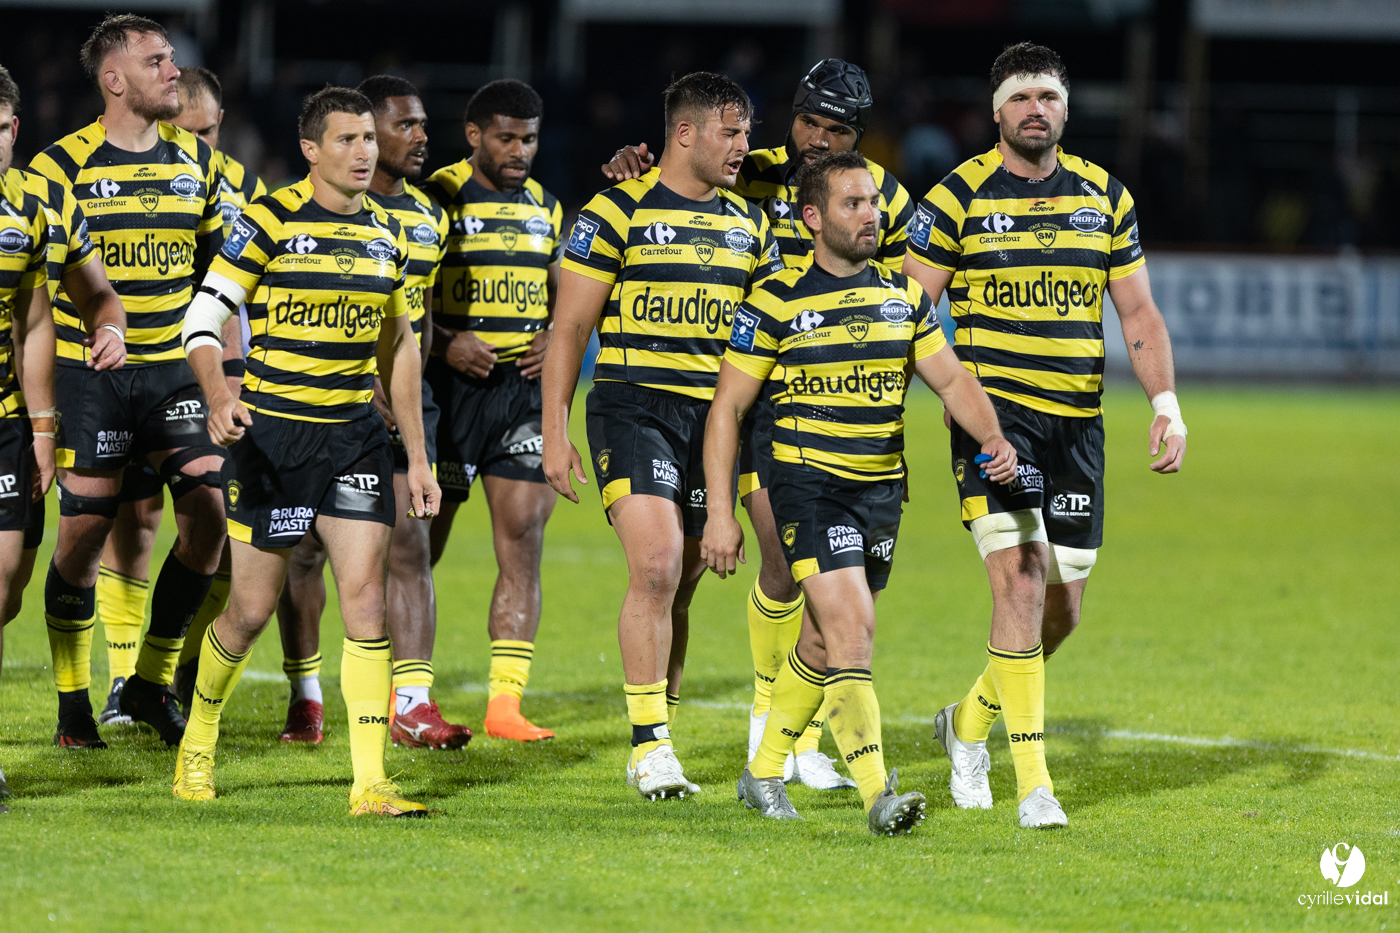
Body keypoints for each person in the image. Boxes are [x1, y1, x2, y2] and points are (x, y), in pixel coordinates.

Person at [600, 59, 915, 790]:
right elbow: (673, 184)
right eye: (810, 122)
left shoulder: (881, 198)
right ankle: (705, 737)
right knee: (713, 567)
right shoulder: (748, 170)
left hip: (809, 403)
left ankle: (779, 735)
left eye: (838, 130)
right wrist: (629, 167)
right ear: (792, 116)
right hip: (730, 390)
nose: (819, 140)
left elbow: (892, 309)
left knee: (793, 567)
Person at [901, 42, 1187, 829]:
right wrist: (935, 399)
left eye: (1050, 97)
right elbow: (907, 310)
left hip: (1078, 431)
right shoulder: (954, 199)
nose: (1037, 109)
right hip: (994, 426)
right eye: (1022, 97)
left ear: (1066, 109)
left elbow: (1137, 312)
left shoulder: (1106, 197)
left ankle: (967, 722)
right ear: (997, 111)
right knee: (1020, 584)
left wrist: (1165, 402)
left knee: (1061, 612)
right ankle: (1034, 785)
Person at [701, 150, 1018, 834]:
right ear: (812, 217)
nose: (870, 214)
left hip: (879, 493)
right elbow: (726, 408)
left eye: (872, 201)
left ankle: (762, 773)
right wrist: (721, 512)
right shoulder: (776, 303)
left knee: (820, 642)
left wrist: (994, 438)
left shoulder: (904, 299)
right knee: (853, 630)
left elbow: (954, 381)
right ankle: (878, 793)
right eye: (852, 204)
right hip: (807, 488)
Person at [172, 86, 440, 816]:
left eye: (367, 138)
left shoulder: (390, 233)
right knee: (251, 609)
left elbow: (402, 346)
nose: (364, 151)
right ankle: (198, 740)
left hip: (354, 438)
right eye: (347, 140)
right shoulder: (267, 221)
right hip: (275, 440)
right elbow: (201, 321)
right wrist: (221, 397)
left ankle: (369, 781)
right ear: (311, 149)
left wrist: (417, 454)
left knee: (365, 602)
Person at [543, 71, 783, 800]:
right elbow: (570, 329)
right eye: (731, 131)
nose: (744, 145)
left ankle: (663, 737)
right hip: (632, 405)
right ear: (686, 133)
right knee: (653, 567)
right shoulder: (616, 211)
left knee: (678, 588)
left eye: (746, 131)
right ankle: (647, 747)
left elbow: (765, 344)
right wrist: (554, 431)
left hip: (713, 423)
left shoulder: (752, 226)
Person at [29, 15, 228, 748]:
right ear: (113, 80)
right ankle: (74, 699)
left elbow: (226, 279)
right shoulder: (57, 169)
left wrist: (226, 378)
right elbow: (34, 291)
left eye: (172, 59)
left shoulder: (200, 167)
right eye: (156, 61)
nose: (173, 71)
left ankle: (147, 679)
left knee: (208, 513)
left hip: (174, 373)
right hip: (92, 379)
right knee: (82, 535)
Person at [274, 74, 461, 748]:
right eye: (403, 125)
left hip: (406, 405)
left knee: (410, 540)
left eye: (422, 125)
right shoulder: (298, 215)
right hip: (321, 401)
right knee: (300, 552)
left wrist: (405, 391)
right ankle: (307, 693)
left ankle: (412, 699)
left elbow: (421, 325)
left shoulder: (427, 217)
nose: (420, 137)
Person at [97, 64, 261, 727]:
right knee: (131, 526)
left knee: (215, 521)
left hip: (210, 375)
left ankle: (171, 667)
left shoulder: (242, 191)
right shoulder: (127, 181)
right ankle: (119, 682)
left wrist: (242, 376)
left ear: (220, 124)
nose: (195, 143)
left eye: (207, 131)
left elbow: (249, 295)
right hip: (127, 376)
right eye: (180, 131)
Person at [419, 78, 561, 742]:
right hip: (449, 395)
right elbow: (402, 292)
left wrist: (556, 333)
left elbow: (570, 295)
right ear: (474, 135)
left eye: (528, 138)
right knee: (420, 545)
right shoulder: (438, 197)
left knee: (525, 536)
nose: (519, 150)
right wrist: (445, 344)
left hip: (519, 395)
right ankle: (406, 692)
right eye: (506, 137)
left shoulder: (546, 208)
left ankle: (505, 705)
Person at [0, 64, 61, 811]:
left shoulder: (29, 214)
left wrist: (42, 427)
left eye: (5, 128)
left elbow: (35, 321)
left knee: (8, 584)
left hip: (6, 422)